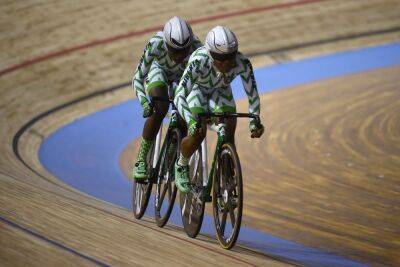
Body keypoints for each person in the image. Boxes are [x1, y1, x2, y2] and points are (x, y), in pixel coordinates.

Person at [173, 25, 265, 193]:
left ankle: (227, 180)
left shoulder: (242, 62)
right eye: (219, 58)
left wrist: (255, 121)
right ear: (210, 53)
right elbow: (179, 94)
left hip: (220, 90)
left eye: (230, 57)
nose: (226, 63)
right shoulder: (198, 60)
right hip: (197, 89)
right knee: (198, 132)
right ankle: (181, 164)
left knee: (230, 125)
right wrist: (191, 121)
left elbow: (252, 95)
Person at [132, 17, 202, 180]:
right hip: (159, 70)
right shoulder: (155, 43)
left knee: (188, 113)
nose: (179, 55)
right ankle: (142, 159)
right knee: (160, 108)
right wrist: (144, 102)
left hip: (183, 76)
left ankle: (171, 153)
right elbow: (137, 77)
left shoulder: (197, 47)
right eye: (174, 51)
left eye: (184, 51)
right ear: (166, 43)